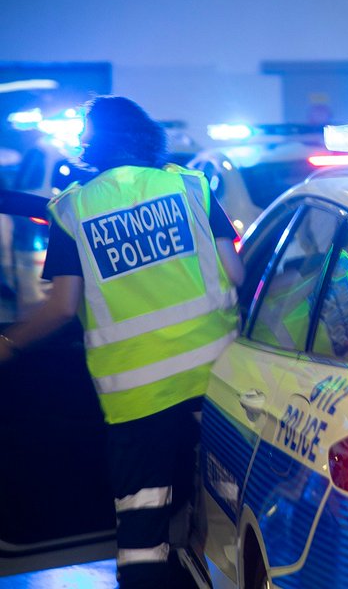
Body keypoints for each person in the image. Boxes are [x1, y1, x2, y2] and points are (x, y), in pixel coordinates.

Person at [0, 96, 244, 588]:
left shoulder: (74, 209)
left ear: (91, 146)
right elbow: (236, 273)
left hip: (138, 394)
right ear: (147, 135)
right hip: (216, 379)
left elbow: (62, 307)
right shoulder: (190, 186)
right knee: (224, 512)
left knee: (142, 524)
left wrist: (9, 344)